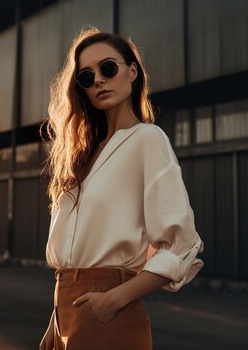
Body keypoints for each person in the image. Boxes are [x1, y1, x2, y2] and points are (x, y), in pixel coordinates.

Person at [39, 27, 205, 350]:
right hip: (65, 313)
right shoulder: (83, 156)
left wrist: (115, 300)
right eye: (86, 77)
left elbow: (181, 244)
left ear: (132, 71)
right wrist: (55, 320)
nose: (98, 80)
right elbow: (75, 251)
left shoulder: (148, 140)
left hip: (108, 312)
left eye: (108, 68)